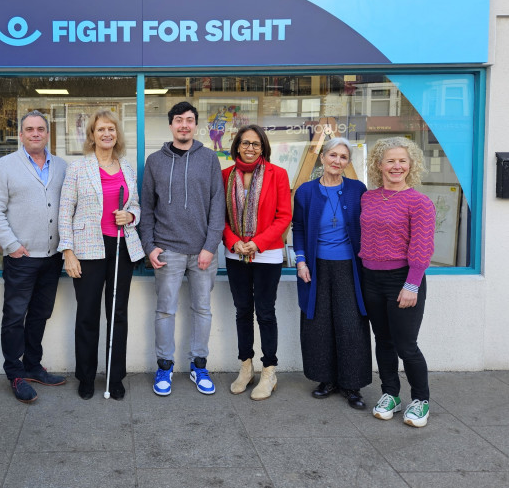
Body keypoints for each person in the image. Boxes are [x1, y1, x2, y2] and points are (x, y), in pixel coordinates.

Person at [140, 101, 225, 396]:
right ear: (171, 125)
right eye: (179, 120)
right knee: (165, 311)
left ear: (196, 125)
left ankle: (198, 366)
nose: (184, 125)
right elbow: (147, 208)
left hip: (202, 251)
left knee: (202, 309)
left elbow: (218, 206)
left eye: (189, 120)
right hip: (168, 251)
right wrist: (149, 246)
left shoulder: (209, 159)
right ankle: (164, 367)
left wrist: (210, 246)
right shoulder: (154, 161)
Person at [58, 110, 144, 401]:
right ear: (92, 135)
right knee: (87, 315)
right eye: (100, 129)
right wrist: (68, 252)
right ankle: (85, 376)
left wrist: (130, 215)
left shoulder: (127, 167)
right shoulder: (78, 168)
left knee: (118, 315)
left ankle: (114, 375)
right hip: (88, 250)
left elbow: (137, 206)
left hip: (121, 247)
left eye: (111, 129)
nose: (107, 134)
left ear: (117, 135)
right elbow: (64, 213)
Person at [0, 110, 67, 404]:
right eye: (29, 129)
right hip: (21, 256)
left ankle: (33, 365)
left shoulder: (62, 166)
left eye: (40, 129)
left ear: (47, 133)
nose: (35, 133)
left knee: (41, 314)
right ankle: (15, 371)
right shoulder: (5, 166)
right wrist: (12, 245)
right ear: (21, 135)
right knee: (15, 316)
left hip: (53, 256)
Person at [359, 137, 435, 427]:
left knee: (407, 345)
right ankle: (390, 393)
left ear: (410, 165)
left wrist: (412, 283)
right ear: (379, 165)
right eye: (390, 160)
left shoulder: (419, 202)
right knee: (384, 341)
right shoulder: (368, 197)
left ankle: (421, 400)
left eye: (402, 160)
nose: (396, 166)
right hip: (371, 278)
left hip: (402, 280)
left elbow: (422, 246)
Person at [292, 137, 371, 409]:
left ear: (348, 163)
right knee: (319, 324)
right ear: (323, 157)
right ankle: (325, 379)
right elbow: (299, 228)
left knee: (351, 325)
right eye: (333, 155)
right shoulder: (305, 191)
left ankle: (352, 384)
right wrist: (300, 261)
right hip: (316, 267)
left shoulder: (357, 190)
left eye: (343, 157)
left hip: (349, 267)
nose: (337, 161)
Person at [223, 125, 292, 400]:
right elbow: (220, 218)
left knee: (265, 312)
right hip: (235, 254)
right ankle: (245, 367)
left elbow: (283, 216)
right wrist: (233, 241)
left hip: (267, 254)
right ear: (237, 146)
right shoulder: (225, 175)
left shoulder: (278, 174)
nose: (250, 148)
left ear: (263, 147)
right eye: (245, 143)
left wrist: (258, 242)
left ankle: (269, 371)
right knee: (242, 311)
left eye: (255, 144)